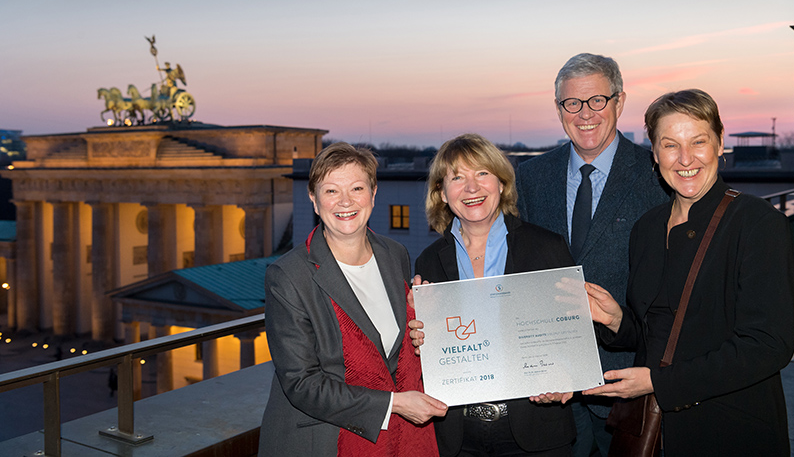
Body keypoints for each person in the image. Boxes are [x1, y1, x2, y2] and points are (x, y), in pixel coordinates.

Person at [583, 89, 794, 456]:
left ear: (720, 143)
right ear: (654, 153)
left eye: (698, 141)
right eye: (670, 145)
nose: (685, 159)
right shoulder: (646, 228)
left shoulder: (758, 223)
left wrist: (658, 382)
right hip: (657, 435)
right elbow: (660, 332)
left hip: (730, 430)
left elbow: (768, 346)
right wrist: (619, 321)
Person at [516, 53, 669, 456]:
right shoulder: (530, 178)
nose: (585, 113)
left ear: (619, 102)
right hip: (549, 389)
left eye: (597, 100)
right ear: (558, 109)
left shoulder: (656, 176)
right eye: (572, 103)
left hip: (626, 389)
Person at [258, 142, 446, 457]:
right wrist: (395, 403)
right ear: (314, 201)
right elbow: (301, 383)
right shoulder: (287, 276)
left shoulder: (394, 254)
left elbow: (393, 352)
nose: (345, 201)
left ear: (373, 194)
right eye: (331, 191)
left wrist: (421, 317)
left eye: (357, 188)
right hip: (321, 440)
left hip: (390, 441)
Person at [411, 133, 577, 457]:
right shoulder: (428, 262)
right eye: (457, 178)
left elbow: (573, 332)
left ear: (501, 184)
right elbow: (430, 352)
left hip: (536, 431)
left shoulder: (547, 247)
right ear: (442, 194)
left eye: (482, 173)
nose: (471, 188)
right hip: (459, 437)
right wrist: (418, 338)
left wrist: (564, 373)